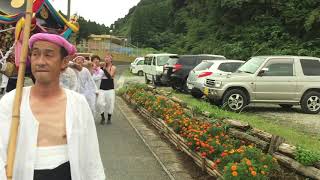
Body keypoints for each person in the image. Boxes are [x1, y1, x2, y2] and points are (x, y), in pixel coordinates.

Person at [0, 33, 105, 180]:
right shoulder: (11, 102)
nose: (40, 61)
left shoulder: (78, 104)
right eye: (35, 54)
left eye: (49, 55)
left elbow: (91, 156)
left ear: (64, 62)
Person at [97, 54, 116, 125]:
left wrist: (104, 68)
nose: (106, 58)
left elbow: (110, 76)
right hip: (101, 88)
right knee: (99, 103)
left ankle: (109, 118)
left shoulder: (113, 67)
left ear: (111, 59)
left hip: (110, 89)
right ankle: (102, 117)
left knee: (110, 104)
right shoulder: (100, 67)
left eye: (108, 57)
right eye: (105, 57)